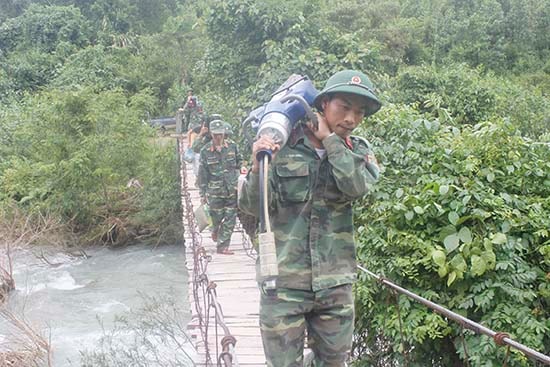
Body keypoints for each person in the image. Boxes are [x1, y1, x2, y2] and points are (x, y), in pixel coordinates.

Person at [238, 69, 382, 366]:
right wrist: (258, 167)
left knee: (333, 363)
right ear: (323, 104)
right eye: (344, 107)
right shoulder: (283, 147)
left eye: (359, 112)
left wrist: (329, 140)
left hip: (335, 285)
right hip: (284, 286)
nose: (351, 119)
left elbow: (356, 187)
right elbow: (252, 206)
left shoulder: (358, 152)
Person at [198, 119, 242, 255]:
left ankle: (223, 246)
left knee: (230, 217)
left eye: (221, 134)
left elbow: (239, 162)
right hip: (215, 191)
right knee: (216, 217)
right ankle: (215, 230)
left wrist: (242, 169)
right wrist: (202, 194)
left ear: (224, 133)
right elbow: (202, 174)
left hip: (231, 189)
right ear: (211, 134)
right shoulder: (205, 151)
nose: (218, 137)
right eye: (216, 134)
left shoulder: (232, 146)